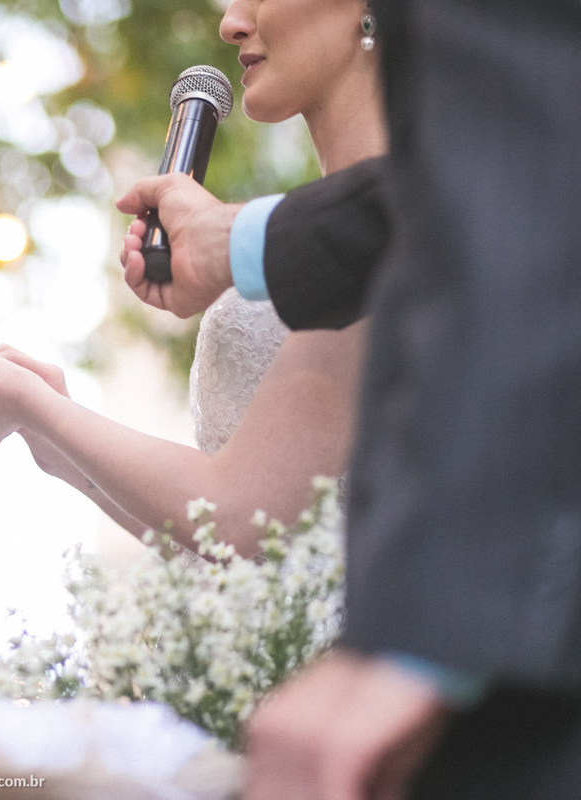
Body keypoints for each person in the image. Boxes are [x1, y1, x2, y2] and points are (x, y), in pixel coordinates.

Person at [121, 2, 581, 797]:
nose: (230, 24)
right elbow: (456, 195)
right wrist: (236, 241)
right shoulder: (370, 206)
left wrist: (419, 640)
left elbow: (531, 184)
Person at [0, 0, 385, 557]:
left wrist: (26, 402)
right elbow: (227, 549)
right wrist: (55, 436)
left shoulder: (395, 240)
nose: (232, 24)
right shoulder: (307, 235)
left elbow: (236, 516)